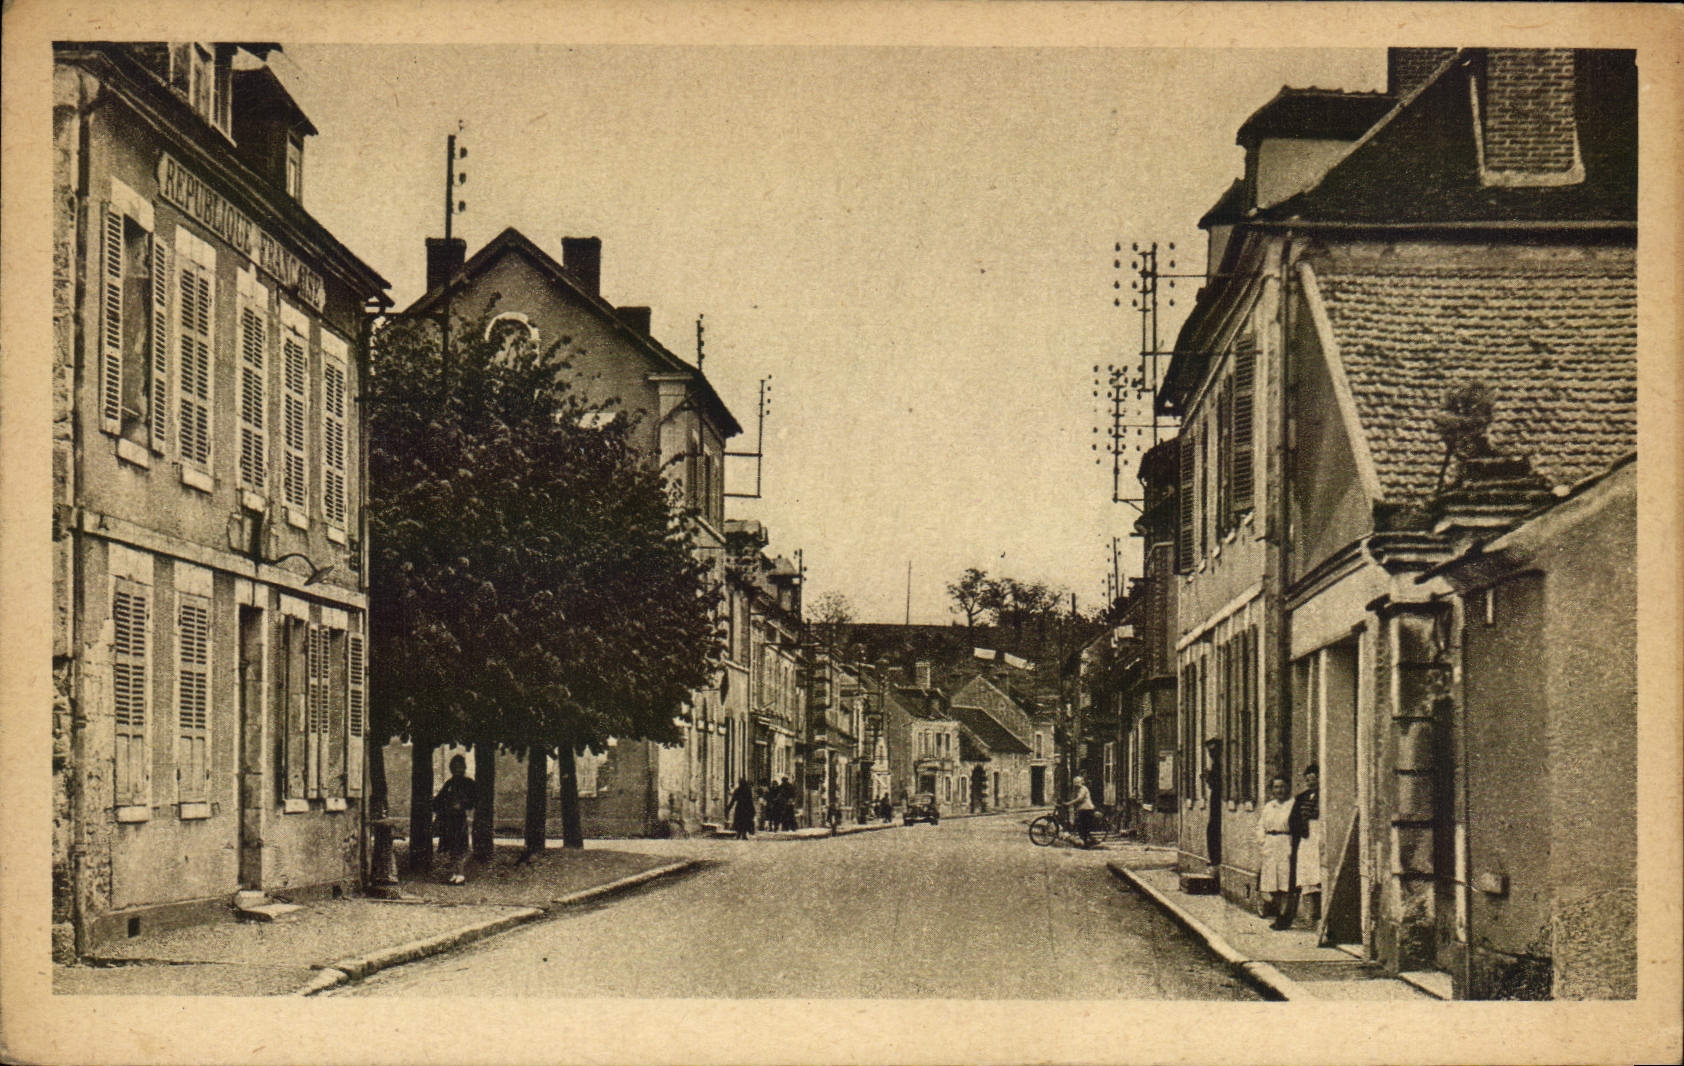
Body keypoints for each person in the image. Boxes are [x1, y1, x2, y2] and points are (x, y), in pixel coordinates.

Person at [432, 754, 478, 885]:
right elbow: (439, 800)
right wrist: (436, 803)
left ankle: (461, 874)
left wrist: (462, 805)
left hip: (460, 819)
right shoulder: (449, 783)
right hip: (448, 819)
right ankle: (454, 873)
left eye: (460, 767)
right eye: (454, 767)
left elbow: (474, 800)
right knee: (451, 847)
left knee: (460, 846)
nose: (457, 770)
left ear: (464, 768)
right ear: (451, 768)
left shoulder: (469, 783)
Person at [1257, 775, 1295, 929]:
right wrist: (1262, 841)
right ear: (1272, 790)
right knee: (1272, 883)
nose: (1279, 790)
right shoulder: (1269, 806)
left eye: (1282, 787)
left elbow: (1296, 827)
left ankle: (1283, 917)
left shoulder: (1292, 805)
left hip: (1285, 843)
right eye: (1276, 787)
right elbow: (1260, 826)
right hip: (1270, 845)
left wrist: (1292, 846)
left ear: (1288, 788)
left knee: (1284, 883)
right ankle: (1279, 913)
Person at [1288, 763, 1322, 926]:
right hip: (1306, 839)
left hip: (1319, 837)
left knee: (1318, 875)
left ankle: (1319, 914)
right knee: (1306, 876)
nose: (1311, 782)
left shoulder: (1324, 796)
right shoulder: (1301, 798)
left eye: (1314, 779)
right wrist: (1301, 828)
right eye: (1308, 780)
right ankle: (1310, 915)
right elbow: (1293, 820)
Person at [1069, 774, 1097, 848]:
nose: (1076, 785)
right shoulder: (1079, 789)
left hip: (1087, 809)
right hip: (1082, 809)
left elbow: (1079, 799)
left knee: (1083, 826)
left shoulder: (1083, 789)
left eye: (1077, 783)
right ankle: (1085, 841)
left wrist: (1070, 803)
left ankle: (1086, 843)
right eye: (1075, 783)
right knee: (1080, 826)